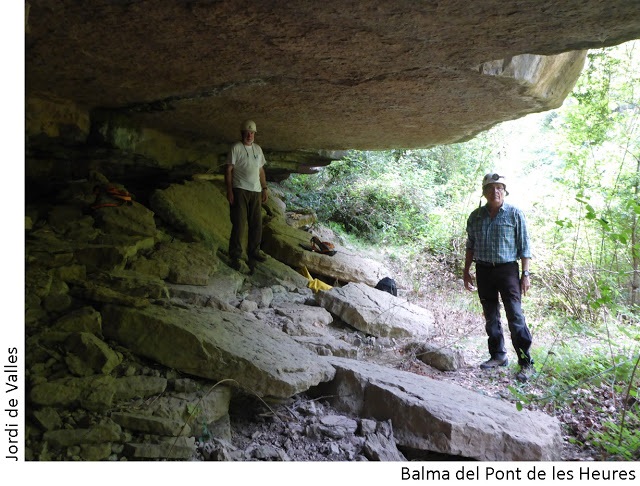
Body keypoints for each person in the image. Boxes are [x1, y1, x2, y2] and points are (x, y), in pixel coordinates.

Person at [463, 173, 534, 382]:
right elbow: (470, 245)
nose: (496, 192)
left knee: (515, 316)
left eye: (500, 188)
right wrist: (466, 270)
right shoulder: (475, 216)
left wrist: (525, 274)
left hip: (508, 271)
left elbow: (524, 246)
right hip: (484, 270)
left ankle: (525, 362)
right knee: (491, 315)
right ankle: (498, 356)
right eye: (491, 188)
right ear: (484, 192)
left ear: (505, 191)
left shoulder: (514, 214)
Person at [225, 119, 269, 272]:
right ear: (242, 133)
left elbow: (261, 171)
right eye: (247, 132)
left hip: (256, 191)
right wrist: (229, 191)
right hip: (240, 190)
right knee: (239, 223)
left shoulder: (258, 149)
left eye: (252, 133)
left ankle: (254, 253)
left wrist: (264, 188)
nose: (249, 135)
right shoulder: (236, 148)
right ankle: (235, 255)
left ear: (254, 134)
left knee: (256, 224)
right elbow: (229, 170)